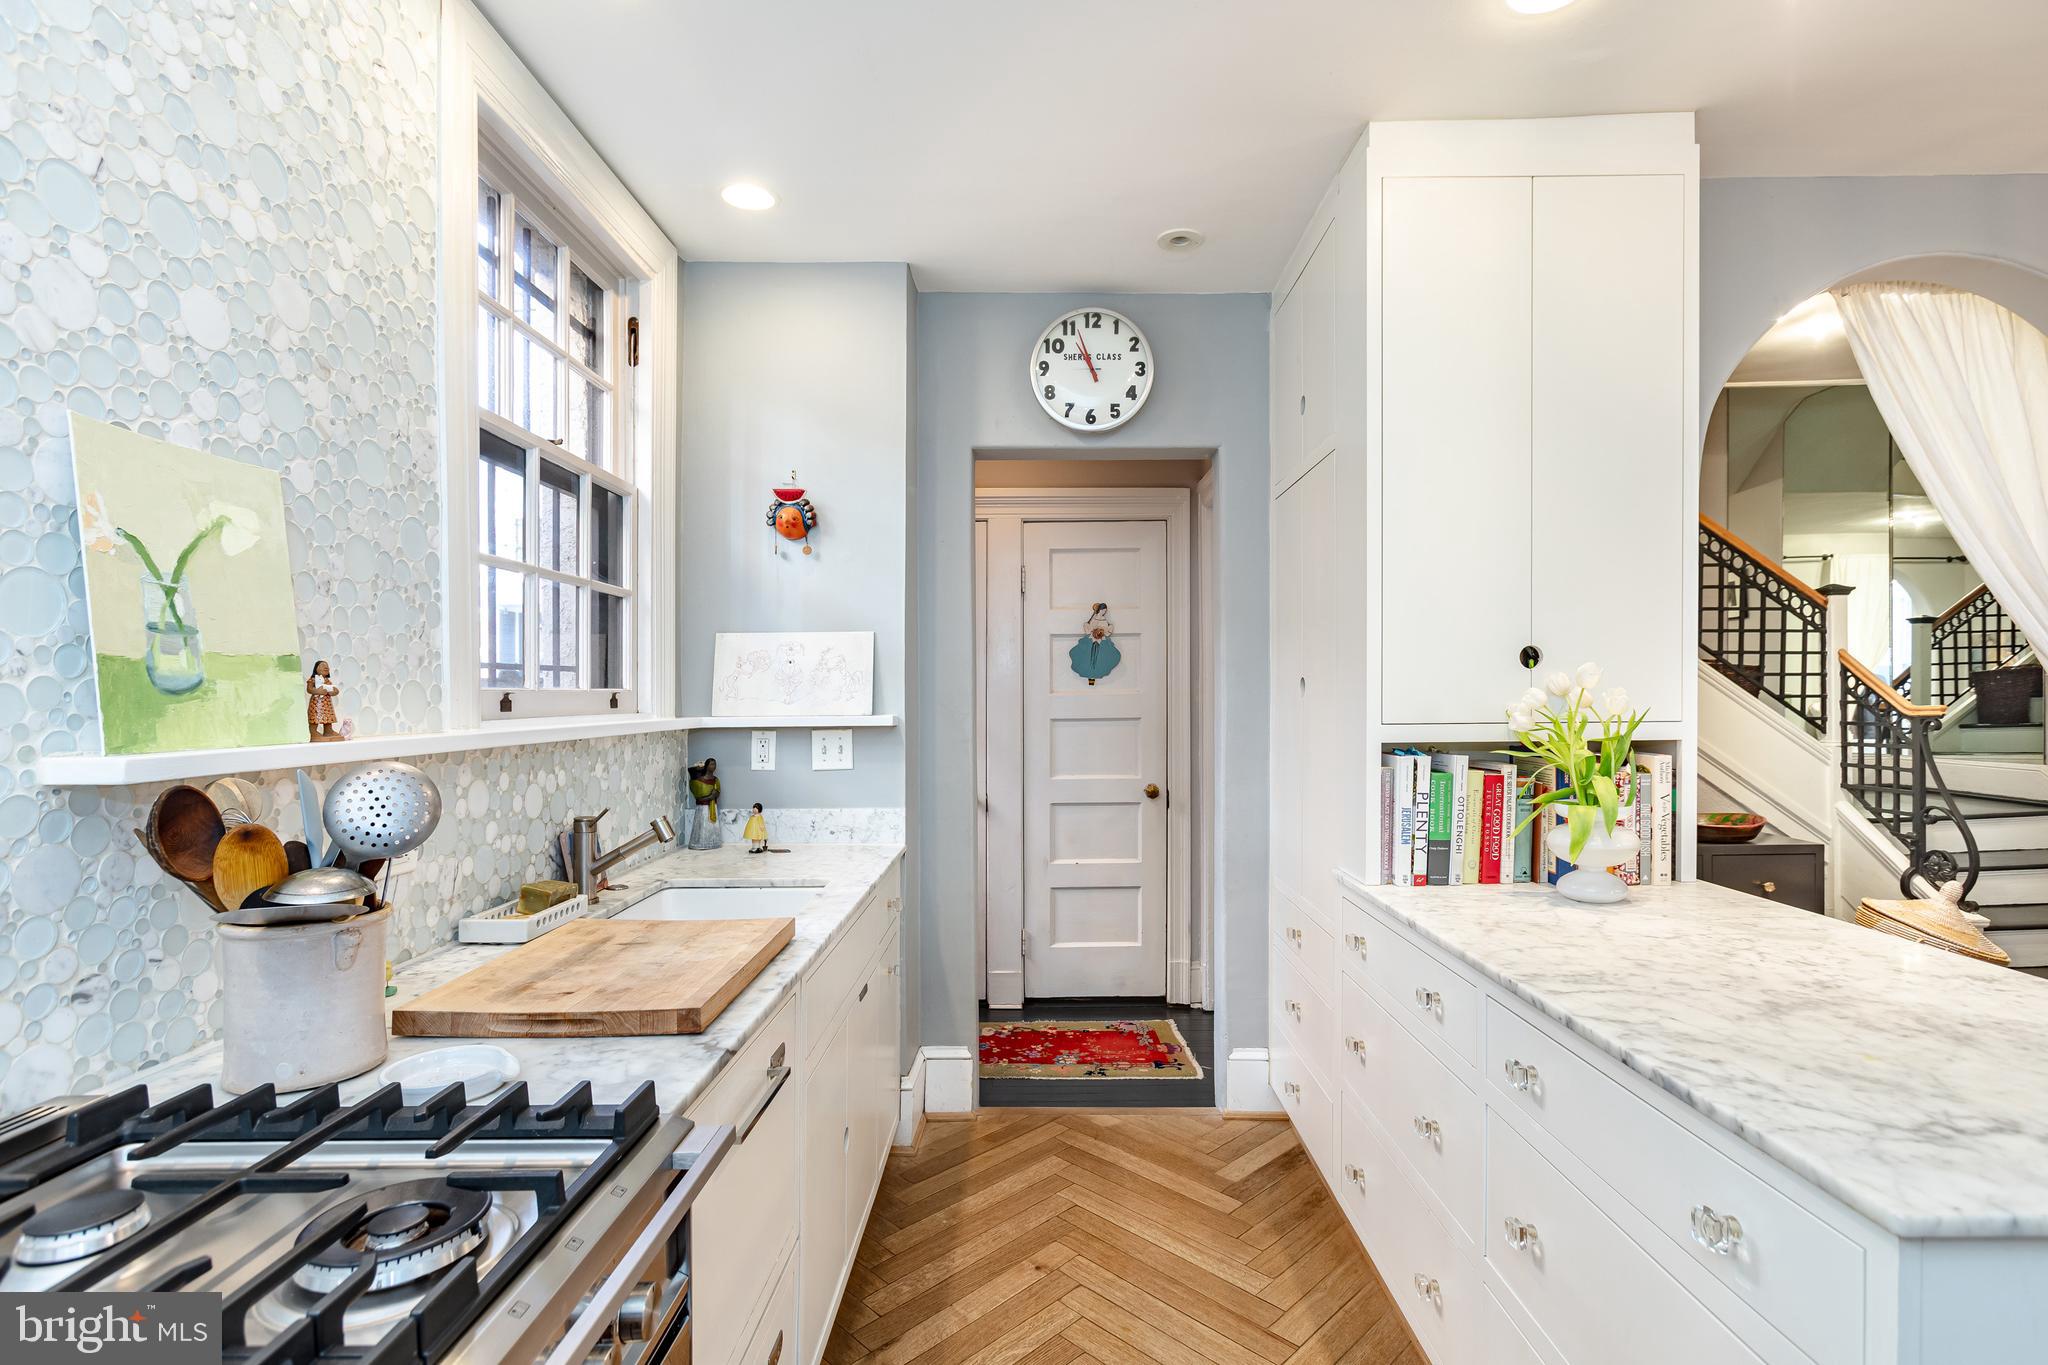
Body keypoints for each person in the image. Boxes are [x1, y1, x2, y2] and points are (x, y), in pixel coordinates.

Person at [686, 758, 721, 850]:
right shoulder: (698, 780)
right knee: (701, 826)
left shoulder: (716, 780)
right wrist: (708, 797)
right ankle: (699, 844)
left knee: (711, 826)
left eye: (714, 764)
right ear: (706, 766)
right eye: (711, 764)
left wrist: (710, 797)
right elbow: (698, 795)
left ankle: (713, 843)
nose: (713, 766)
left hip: (713, 806)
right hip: (702, 808)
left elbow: (717, 793)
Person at [306, 660, 342, 741]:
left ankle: (328, 731)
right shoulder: (313, 679)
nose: (326, 667)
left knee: (328, 717)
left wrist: (333, 692)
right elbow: (309, 689)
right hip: (316, 703)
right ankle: (313, 732)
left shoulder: (327, 681)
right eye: (322, 666)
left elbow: (335, 689)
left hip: (327, 704)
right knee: (315, 716)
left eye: (327, 666)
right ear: (316, 668)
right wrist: (317, 691)